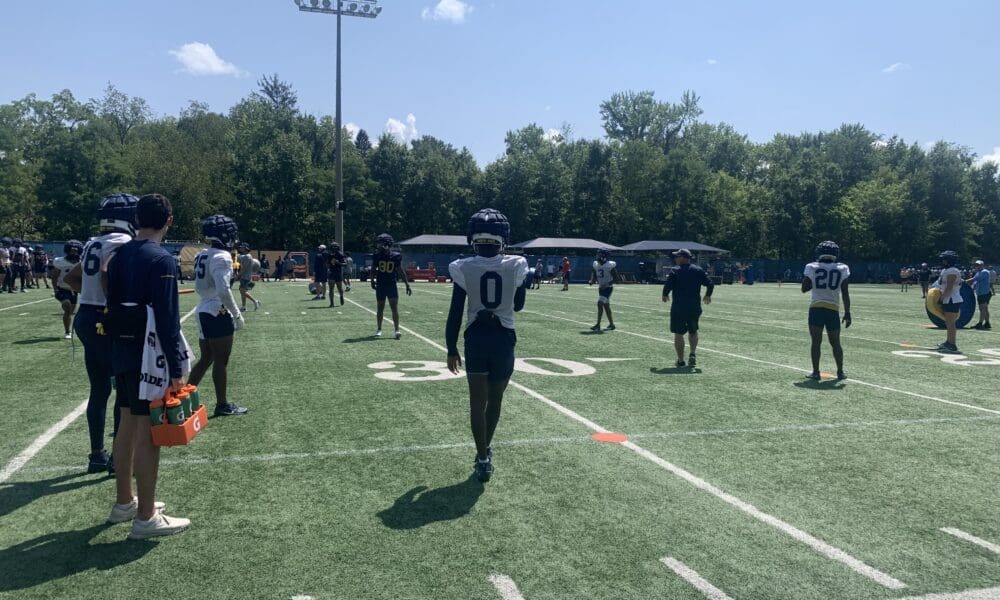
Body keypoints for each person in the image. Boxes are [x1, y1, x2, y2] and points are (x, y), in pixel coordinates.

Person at [106, 193, 189, 539]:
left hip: (120, 346)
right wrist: (176, 367)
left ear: (137, 219)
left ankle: (124, 500)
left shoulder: (118, 253)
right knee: (149, 433)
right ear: (168, 221)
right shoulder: (162, 260)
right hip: (146, 352)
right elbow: (168, 321)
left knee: (126, 420)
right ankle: (145, 517)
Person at [446, 208, 530, 483]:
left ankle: (482, 457)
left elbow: (456, 312)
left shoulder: (462, 266)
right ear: (502, 237)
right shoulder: (517, 264)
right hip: (503, 337)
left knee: (476, 401)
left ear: (472, 237)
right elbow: (518, 305)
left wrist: (450, 347)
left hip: (476, 337)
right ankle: (486, 448)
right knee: (495, 399)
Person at [73, 193, 138, 473]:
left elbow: (70, 278)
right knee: (121, 388)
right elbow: (106, 273)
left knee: (99, 389)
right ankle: (117, 457)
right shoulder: (122, 242)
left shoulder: (92, 242)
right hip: (106, 318)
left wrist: (92, 297)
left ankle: (96, 453)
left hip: (86, 315)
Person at [187, 215, 248, 416]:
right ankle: (222, 404)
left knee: (206, 358)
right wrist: (236, 313)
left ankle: (184, 399)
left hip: (204, 307)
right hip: (216, 310)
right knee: (221, 360)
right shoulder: (222, 256)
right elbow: (223, 290)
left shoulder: (202, 254)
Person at [801, 241, 851, 380]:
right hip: (833, 309)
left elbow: (804, 288)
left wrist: (815, 281)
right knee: (835, 342)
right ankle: (840, 372)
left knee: (816, 342)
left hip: (816, 309)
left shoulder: (811, 266)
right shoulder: (842, 268)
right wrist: (847, 313)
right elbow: (845, 293)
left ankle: (816, 372)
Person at [661, 249, 714, 368]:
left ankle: (680, 360)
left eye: (677, 257)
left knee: (678, 334)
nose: (675, 259)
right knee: (693, 331)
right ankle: (692, 353)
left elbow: (668, 285)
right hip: (694, 306)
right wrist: (708, 295)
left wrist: (665, 294)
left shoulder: (675, 270)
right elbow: (710, 284)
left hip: (679, 307)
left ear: (683, 257)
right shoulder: (698, 270)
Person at [370, 233, 411, 338]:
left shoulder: (395, 256)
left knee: (394, 308)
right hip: (381, 284)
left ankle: (397, 329)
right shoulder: (377, 255)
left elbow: (400, 270)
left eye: (381, 243)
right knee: (380, 308)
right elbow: (373, 269)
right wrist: (372, 281)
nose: (379, 245)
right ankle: (379, 329)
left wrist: (407, 283)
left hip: (391, 284)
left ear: (386, 244)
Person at [50, 240, 83, 339]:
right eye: (72, 250)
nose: (74, 252)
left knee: (69, 312)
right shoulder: (60, 261)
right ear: (67, 250)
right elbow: (55, 276)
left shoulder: (81, 261)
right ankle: (67, 332)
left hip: (74, 290)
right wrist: (55, 290)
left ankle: (68, 330)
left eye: (76, 250)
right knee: (67, 305)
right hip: (62, 288)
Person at [934, 251, 963, 353]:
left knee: (951, 323)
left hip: (952, 299)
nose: (943, 261)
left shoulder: (953, 271)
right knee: (948, 323)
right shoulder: (946, 270)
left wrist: (941, 298)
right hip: (949, 299)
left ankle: (952, 345)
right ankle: (948, 342)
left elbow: (949, 287)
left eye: (944, 259)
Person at [589, 249, 619, 331]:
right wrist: (592, 280)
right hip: (601, 288)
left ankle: (598, 325)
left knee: (599, 303)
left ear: (604, 257)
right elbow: (594, 273)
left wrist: (607, 284)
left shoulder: (609, 265)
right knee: (606, 306)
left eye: (599, 255)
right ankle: (612, 324)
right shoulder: (596, 264)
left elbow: (616, 278)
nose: (598, 256)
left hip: (608, 288)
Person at [967, 260, 991, 330]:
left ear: (982, 265)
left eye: (979, 265)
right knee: (985, 308)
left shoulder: (985, 272)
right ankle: (987, 323)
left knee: (982, 308)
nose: (977, 266)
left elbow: (975, 279)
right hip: (981, 293)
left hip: (984, 293)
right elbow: (976, 282)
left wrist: (964, 281)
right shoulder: (978, 273)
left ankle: (980, 323)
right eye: (976, 265)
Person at [236, 242, 261, 311]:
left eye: (242, 247)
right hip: (245, 276)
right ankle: (246, 306)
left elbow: (244, 268)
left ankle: (253, 302)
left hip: (246, 277)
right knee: (242, 291)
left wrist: (238, 276)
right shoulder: (245, 256)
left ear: (246, 248)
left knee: (242, 291)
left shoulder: (247, 256)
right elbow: (239, 258)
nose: (240, 248)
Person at [327, 242, 347, 307]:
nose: (333, 248)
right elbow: (327, 264)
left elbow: (345, 264)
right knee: (331, 288)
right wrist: (328, 267)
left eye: (334, 247)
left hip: (338, 272)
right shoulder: (329, 255)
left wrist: (339, 263)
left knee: (339, 288)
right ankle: (332, 303)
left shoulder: (340, 254)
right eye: (332, 247)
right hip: (331, 272)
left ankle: (341, 296)